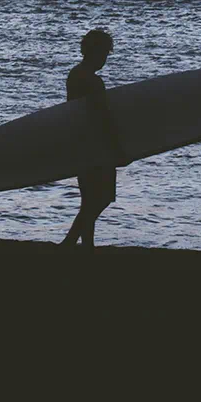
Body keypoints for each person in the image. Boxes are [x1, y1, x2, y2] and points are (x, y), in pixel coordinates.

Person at [61, 28, 122, 247]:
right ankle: (69, 242)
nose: (105, 58)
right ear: (97, 52)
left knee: (89, 199)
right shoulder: (93, 81)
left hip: (79, 143)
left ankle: (87, 246)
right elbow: (103, 117)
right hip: (97, 146)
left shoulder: (75, 74)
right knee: (101, 198)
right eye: (105, 53)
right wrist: (118, 149)